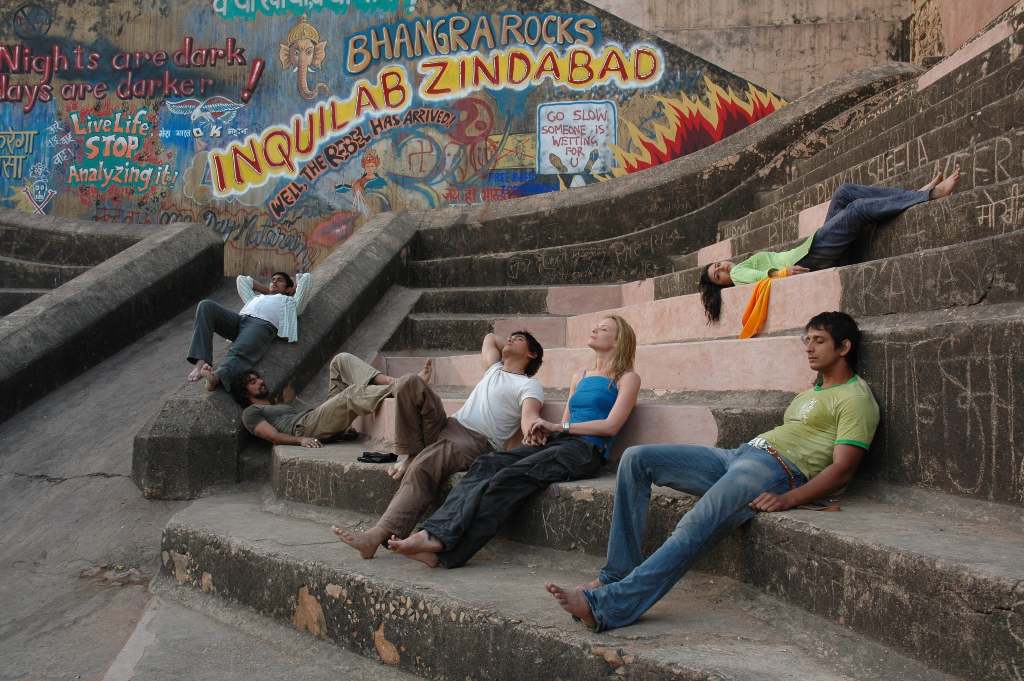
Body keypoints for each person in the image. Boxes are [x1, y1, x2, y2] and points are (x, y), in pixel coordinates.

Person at [546, 311, 879, 631]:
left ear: (844, 347)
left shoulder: (855, 397)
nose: (809, 347)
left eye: (819, 341)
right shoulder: (814, 391)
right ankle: (615, 575)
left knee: (694, 522)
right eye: (807, 340)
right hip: (740, 455)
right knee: (636, 458)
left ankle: (607, 606)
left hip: (774, 469)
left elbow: (843, 468)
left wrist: (790, 498)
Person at [388, 315, 641, 569]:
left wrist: (557, 427)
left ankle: (445, 551)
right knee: (487, 463)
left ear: (619, 340)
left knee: (509, 478)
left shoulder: (627, 378)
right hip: (560, 443)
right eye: (596, 325)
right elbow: (565, 423)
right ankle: (433, 534)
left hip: (586, 451)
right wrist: (541, 432)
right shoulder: (581, 376)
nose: (595, 329)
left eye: (604, 328)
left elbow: (611, 426)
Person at [332, 332, 546, 558]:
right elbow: (491, 337)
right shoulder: (494, 369)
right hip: (449, 425)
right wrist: (514, 344)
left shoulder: (529, 385)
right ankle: (412, 454)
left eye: (518, 339)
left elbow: (529, 415)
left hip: (474, 441)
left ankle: (376, 536)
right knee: (409, 382)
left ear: (531, 353)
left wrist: (533, 427)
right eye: (510, 337)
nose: (510, 339)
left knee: (423, 465)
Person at [699, 168, 961, 323]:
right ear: (722, 284)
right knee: (856, 207)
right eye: (717, 275)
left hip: (811, 249)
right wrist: (780, 273)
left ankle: (912, 196)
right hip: (808, 259)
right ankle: (927, 196)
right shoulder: (738, 274)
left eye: (718, 265)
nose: (722, 269)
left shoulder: (738, 267)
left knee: (844, 193)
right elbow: (757, 278)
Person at [238, 352, 430, 448]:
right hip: (305, 427)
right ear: (245, 392)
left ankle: (391, 381)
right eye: (253, 382)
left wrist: (336, 434)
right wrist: (302, 440)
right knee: (350, 394)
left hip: (314, 417)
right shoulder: (250, 413)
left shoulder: (273, 406)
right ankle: (406, 386)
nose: (260, 382)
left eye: (259, 378)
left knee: (340, 360)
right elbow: (272, 437)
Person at [186, 271, 312, 393]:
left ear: (289, 289)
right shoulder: (256, 298)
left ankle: (217, 377)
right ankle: (202, 360)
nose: (274, 282)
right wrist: (270, 290)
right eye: (272, 280)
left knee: (239, 350)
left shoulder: (290, 302)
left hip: (262, 325)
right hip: (241, 320)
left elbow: (307, 278)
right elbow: (242, 280)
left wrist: (290, 290)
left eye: (280, 280)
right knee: (206, 306)